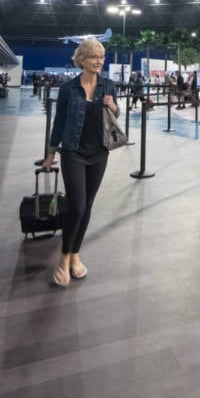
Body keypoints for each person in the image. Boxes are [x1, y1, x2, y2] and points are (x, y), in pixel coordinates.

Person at [42, 39, 117, 288]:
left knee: (87, 207)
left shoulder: (108, 85)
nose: (99, 61)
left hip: (99, 153)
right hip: (73, 151)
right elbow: (59, 121)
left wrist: (114, 106)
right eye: (94, 56)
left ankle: (76, 254)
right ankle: (64, 257)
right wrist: (51, 153)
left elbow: (114, 116)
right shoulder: (68, 89)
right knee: (77, 206)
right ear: (82, 59)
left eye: (102, 57)